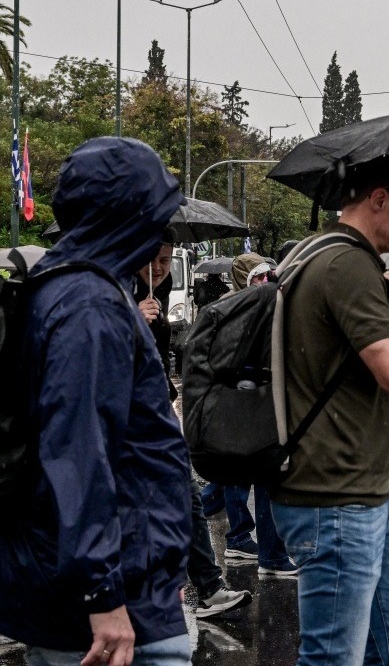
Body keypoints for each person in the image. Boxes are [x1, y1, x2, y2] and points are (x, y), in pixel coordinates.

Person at [0, 137, 192, 666]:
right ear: (127, 214)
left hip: (120, 581)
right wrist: (103, 595)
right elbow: (78, 455)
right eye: (154, 212)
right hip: (108, 606)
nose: (160, 230)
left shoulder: (73, 289)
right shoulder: (89, 306)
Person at [270, 156, 389, 666]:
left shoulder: (320, 253)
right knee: (334, 657)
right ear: (379, 198)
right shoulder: (347, 266)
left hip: (362, 496)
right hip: (335, 498)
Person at [137, 241, 252, 619]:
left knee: (187, 498)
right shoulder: (118, 294)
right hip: (126, 419)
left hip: (154, 411)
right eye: (152, 259)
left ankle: (208, 587)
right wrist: (134, 319)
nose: (159, 267)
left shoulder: (161, 292)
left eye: (166, 260)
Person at [203, 252, 297, 579]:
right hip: (241, 402)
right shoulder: (234, 308)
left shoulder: (257, 303)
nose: (264, 282)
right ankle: (258, 547)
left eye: (266, 276)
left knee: (235, 475)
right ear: (245, 278)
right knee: (257, 475)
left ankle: (240, 538)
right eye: (257, 277)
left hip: (252, 400)